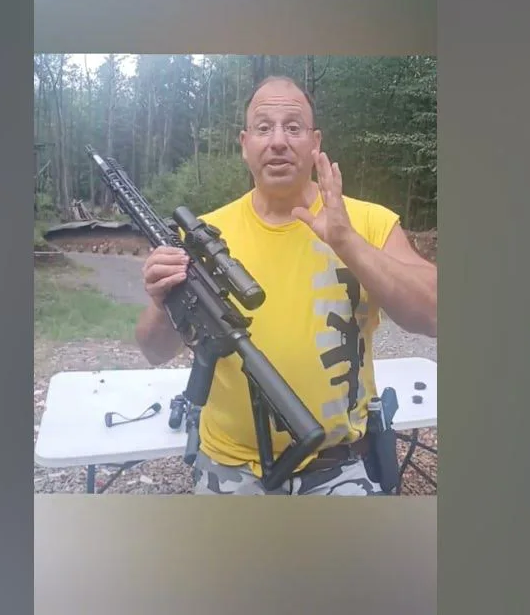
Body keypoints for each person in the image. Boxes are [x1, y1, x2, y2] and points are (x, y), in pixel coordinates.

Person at [135, 75, 437, 495]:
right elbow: (154, 351)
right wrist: (160, 299)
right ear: (245, 144)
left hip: (338, 466)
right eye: (264, 128)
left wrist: (347, 242)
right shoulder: (204, 236)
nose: (278, 141)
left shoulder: (367, 222)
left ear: (315, 142)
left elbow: (435, 313)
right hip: (228, 467)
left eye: (293, 127)